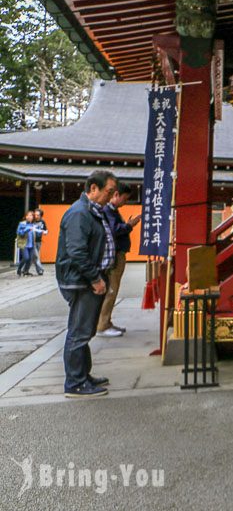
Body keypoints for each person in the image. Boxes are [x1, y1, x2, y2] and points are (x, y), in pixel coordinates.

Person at [57, 170, 117, 398]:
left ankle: (83, 374)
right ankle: (75, 382)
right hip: (81, 281)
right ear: (93, 189)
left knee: (85, 330)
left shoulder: (92, 211)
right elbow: (77, 251)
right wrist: (94, 278)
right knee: (79, 332)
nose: (110, 197)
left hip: (89, 278)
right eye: (108, 192)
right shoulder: (80, 213)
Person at [97, 183, 140, 338]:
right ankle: (102, 325)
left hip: (118, 254)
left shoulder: (112, 211)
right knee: (111, 290)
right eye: (124, 198)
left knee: (112, 289)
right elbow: (115, 231)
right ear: (116, 195)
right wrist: (129, 225)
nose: (125, 202)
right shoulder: (108, 211)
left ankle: (107, 322)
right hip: (114, 255)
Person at [16, 211, 36, 277]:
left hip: (31, 244)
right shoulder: (22, 224)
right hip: (24, 244)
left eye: (31, 215)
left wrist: (42, 232)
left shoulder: (33, 224)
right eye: (28, 215)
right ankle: (19, 269)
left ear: (33, 217)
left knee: (30, 259)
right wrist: (27, 229)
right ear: (25, 216)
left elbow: (35, 234)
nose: (29, 217)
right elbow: (19, 233)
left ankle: (25, 271)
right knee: (26, 258)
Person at [32, 208, 48, 276]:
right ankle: (41, 268)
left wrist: (45, 232)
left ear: (41, 215)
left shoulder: (42, 221)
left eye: (38, 215)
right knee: (36, 256)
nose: (36, 216)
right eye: (35, 215)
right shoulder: (32, 221)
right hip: (32, 241)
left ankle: (39, 271)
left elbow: (45, 230)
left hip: (39, 241)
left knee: (36, 257)